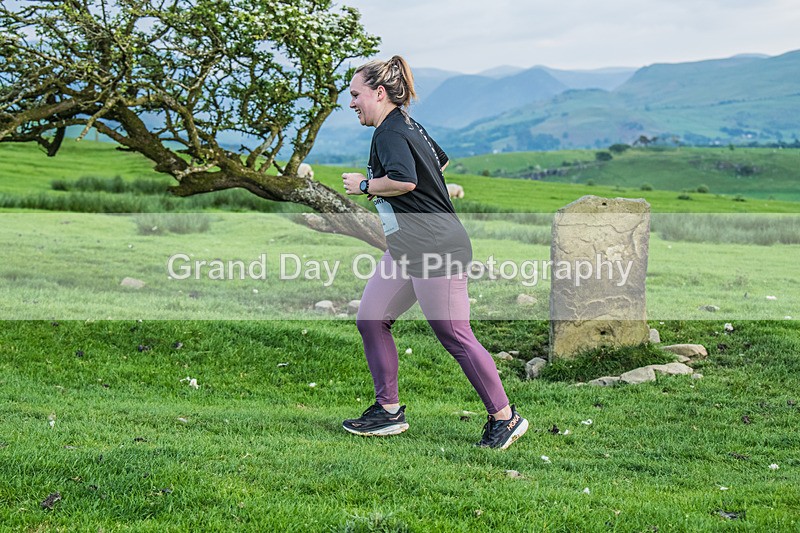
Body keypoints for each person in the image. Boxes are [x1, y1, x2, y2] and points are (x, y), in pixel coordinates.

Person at [341, 56, 528, 449]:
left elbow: (405, 181)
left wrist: (364, 185)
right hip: (407, 246)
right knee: (372, 319)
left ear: (379, 93)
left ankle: (505, 417)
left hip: (437, 247)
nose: (352, 102)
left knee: (453, 333)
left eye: (356, 95)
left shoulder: (391, 132)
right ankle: (387, 412)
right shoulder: (406, 125)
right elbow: (439, 163)